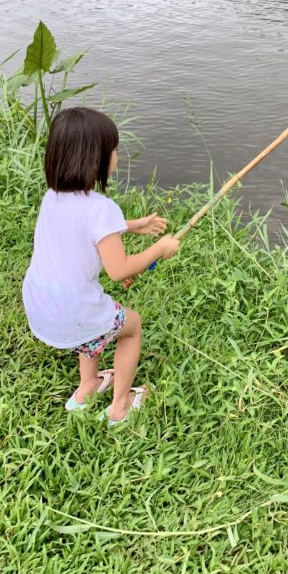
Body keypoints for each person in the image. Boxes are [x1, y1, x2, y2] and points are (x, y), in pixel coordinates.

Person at [22, 107, 180, 425]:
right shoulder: (101, 208)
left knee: (90, 326)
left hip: (40, 305)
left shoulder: (52, 197)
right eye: (113, 149)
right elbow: (120, 270)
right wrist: (160, 248)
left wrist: (133, 225)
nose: (116, 155)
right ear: (95, 159)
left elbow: (88, 229)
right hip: (75, 310)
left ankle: (86, 389)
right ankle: (120, 405)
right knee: (130, 327)